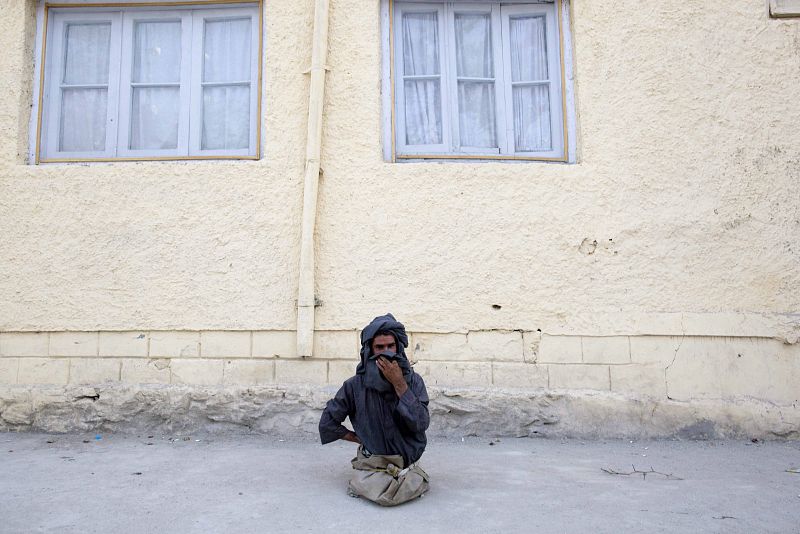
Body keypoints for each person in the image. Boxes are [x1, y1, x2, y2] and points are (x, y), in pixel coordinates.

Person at [319, 313, 430, 506]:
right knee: (377, 488)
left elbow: (420, 423)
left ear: (399, 348)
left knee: (408, 482)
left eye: (391, 346)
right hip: (375, 466)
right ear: (370, 350)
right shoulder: (354, 386)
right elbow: (327, 423)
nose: (386, 352)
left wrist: (399, 384)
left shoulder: (414, 382)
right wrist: (357, 438)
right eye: (379, 347)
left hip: (406, 465)